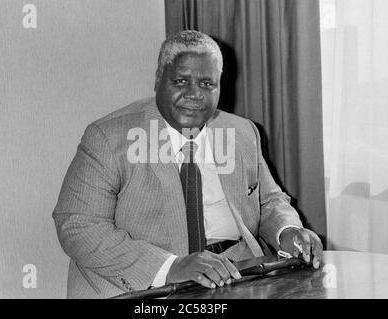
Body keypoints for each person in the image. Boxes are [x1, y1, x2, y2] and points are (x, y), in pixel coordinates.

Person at [53, 30, 323, 299]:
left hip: (238, 274)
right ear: (159, 79)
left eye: (207, 84)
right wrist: (171, 267)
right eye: (181, 81)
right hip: (149, 283)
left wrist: (287, 231)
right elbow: (78, 225)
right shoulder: (109, 138)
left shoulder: (241, 132)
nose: (194, 95)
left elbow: (269, 201)